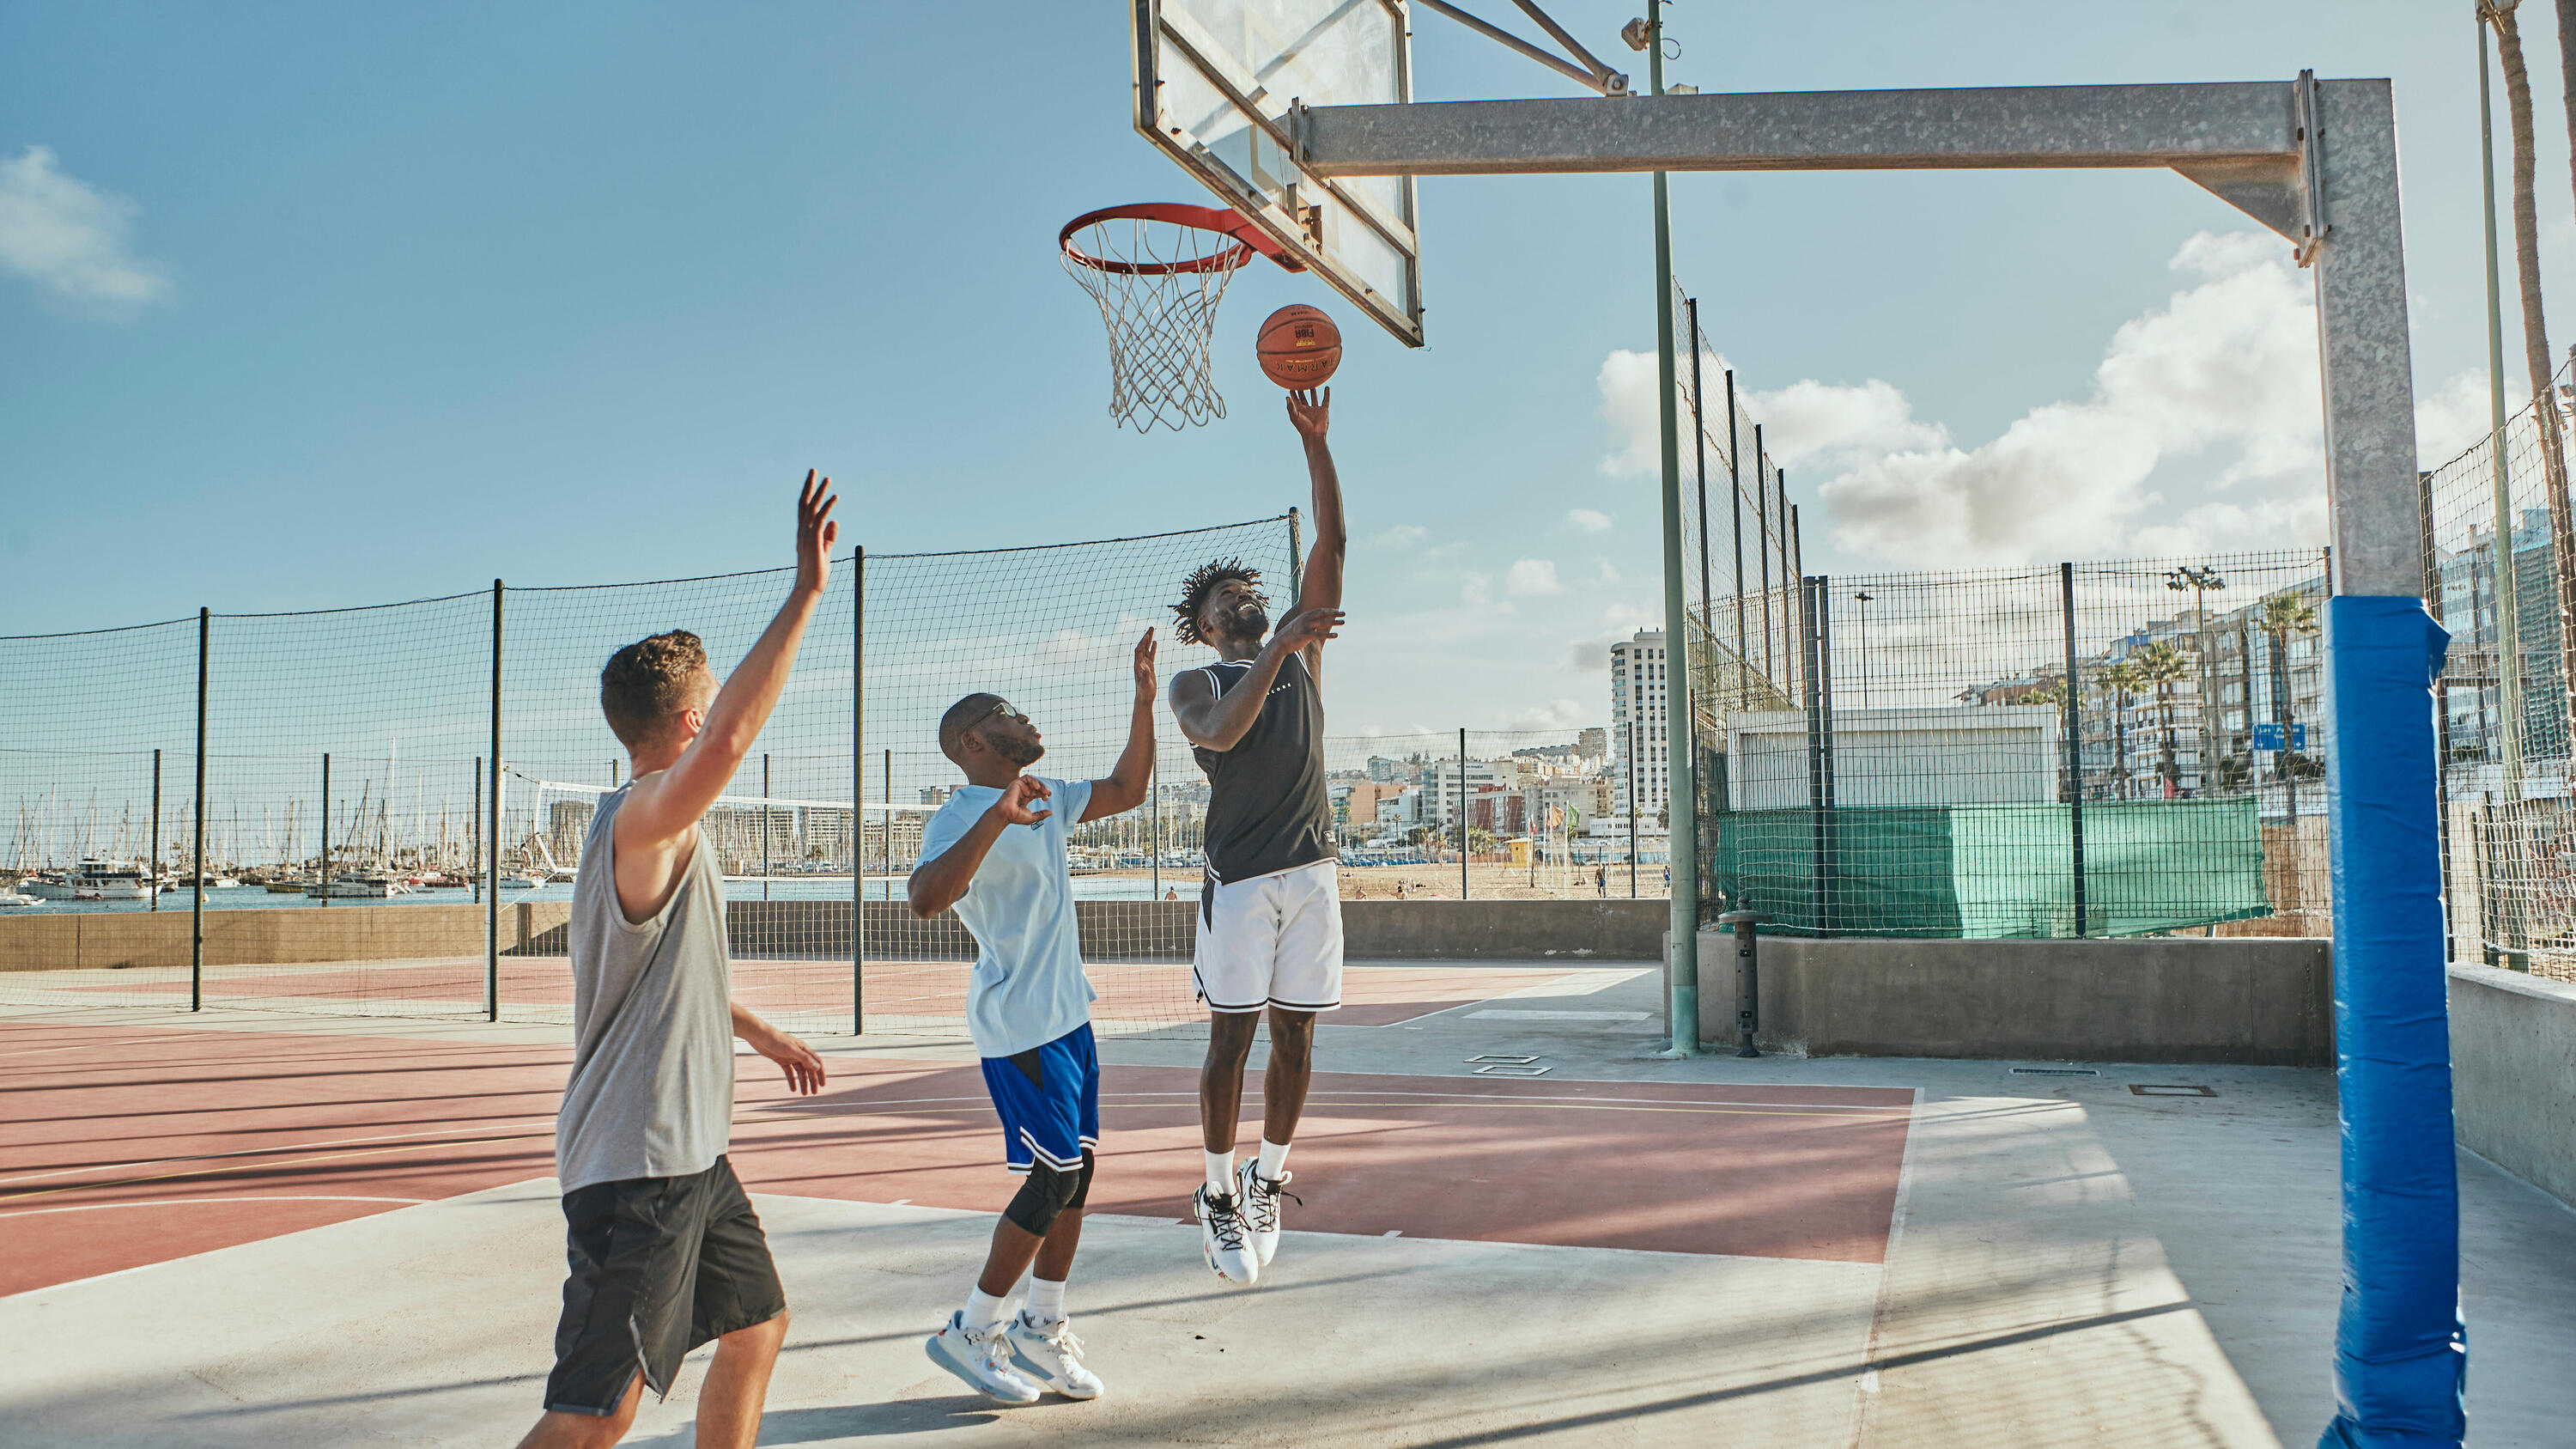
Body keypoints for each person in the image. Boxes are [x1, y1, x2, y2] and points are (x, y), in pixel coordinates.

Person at [517, 476, 838, 1449]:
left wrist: (755, 1025)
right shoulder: (647, 820)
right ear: (690, 721)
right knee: (594, 1416)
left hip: (690, 1157)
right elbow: (738, 737)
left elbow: (664, 974)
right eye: (708, 708)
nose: (717, 720)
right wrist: (807, 592)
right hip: (636, 1169)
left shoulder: (655, 836)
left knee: (755, 1327)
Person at [905, 630, 1160, 1403]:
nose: (1027, 718)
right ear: (975, 741)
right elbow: (923, 899)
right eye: (1008, 713)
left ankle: (1040, 1328)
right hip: (1019, 1023)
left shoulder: (1047, 796)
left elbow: (1129, 787)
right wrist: (999, 817)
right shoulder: (957, 815)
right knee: (1052, 1175)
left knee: (1075, 1175)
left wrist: (1144, 702)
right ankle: (972, 1328)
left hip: (1068, 1017)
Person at [1166, 387, 1346, 1288]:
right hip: (1239, 881)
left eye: (1249, 592)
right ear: (1203, 625)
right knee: (1230, 1041)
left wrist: (1316, 444)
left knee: (1300, 1039)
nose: (1241, 600)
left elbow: (1333, 545)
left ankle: (1268, 1175)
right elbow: (1225, 734)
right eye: (1224, 598)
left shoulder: (1300, 644)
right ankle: (1213, 1191)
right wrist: (1278, 645)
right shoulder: (1196, 682)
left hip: (1312, 872)